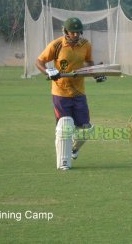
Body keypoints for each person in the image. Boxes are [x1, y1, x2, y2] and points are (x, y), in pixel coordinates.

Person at [35, 17, 94, 161]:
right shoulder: (56, 45)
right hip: (60, 93)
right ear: (66, 31)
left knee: (86, 129)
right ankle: (63, 160)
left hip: (79, 92)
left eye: (77, 32)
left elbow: (90, 62)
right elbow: (39, 61)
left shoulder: (86, 45)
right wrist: (48, 71)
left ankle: (75, 148)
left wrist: (96, 73)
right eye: (72, 32)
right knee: (64, 128)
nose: (75, 35)